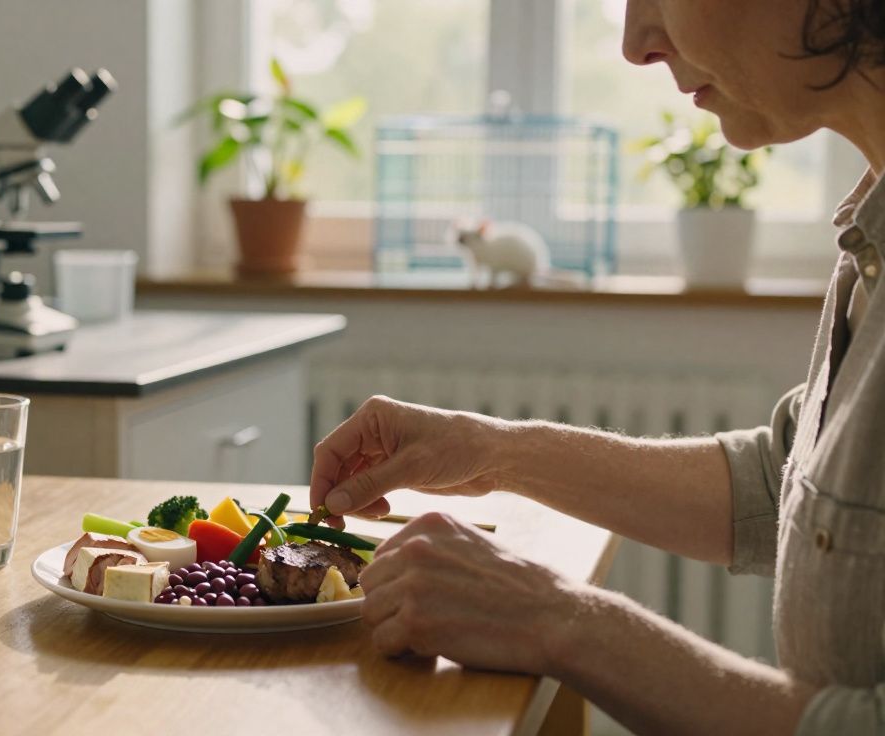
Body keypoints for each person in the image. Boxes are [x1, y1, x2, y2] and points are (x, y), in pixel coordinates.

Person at [308, 2, 885, 733]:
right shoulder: (870, 233)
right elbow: (788, 482)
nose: (634, 45)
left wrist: (555, 619)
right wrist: (491, 451)